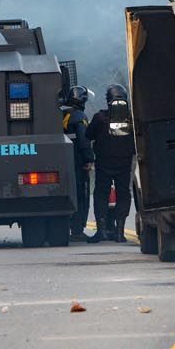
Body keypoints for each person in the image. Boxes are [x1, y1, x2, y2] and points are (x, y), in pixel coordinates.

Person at [86, 84, 135, 243]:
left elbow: (88, 135)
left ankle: (102, 231)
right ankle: (120, 232)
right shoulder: (131, 118)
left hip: (104, 163)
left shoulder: (100, 118)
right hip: (124, 162)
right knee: (123, 193)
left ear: (108, 100)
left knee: (101, 193)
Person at [61, 85, 95, 242]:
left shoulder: (60, 114)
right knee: (81, 195)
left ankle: (64, 226)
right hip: (78, 163)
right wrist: (89, 159)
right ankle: (77, 229)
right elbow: (84, 140)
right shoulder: (79, 116)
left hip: (62, 163)